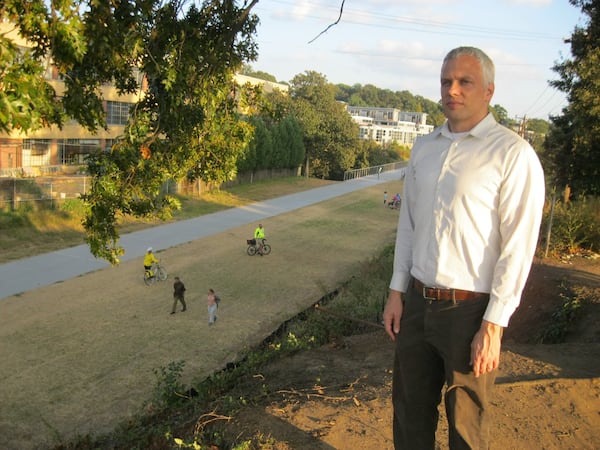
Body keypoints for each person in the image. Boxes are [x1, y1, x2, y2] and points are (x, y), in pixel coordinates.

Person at [382, 46, 545, 450]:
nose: (452, 90)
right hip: (417, 304)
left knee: (467, 429)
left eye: (464, 81)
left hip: (470, 312)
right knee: (409, 415)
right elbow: (410, 224)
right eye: (445, 81)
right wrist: (396, 291)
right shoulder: (424, 148)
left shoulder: (512, 154)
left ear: (488, 90)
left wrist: (494, 324)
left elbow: (518, 247)